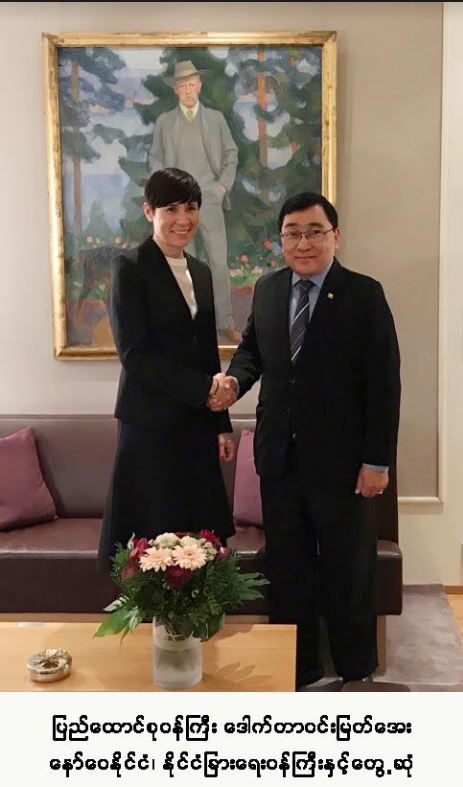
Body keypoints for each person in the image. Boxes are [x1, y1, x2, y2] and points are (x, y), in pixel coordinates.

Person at [209, 192, 401, 688]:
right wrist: (234, 382)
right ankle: (297, 666)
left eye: (315, 231)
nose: (303, 243)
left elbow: (384, 383)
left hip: (344, 464)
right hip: (281, 457)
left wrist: (377, 461)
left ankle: (355, 669)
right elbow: (252, 352)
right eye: (292, 233)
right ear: (281, 240)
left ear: (336, 235)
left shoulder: (364, 294)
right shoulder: (269, 289)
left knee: (348, 567)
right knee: (289, 567)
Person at [98, 167, 235, 570]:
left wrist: (220, 421)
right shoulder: (129, 267)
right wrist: (203, 388)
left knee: (198, 538)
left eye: (190, 208)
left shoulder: (202, 273)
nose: (183, 219)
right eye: (171, 209)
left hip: (196, 421)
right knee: (151, 540)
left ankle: (195, 612)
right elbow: (135, 354)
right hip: (149, 423)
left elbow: (207, 352)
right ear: (149, 211)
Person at [149, 60, 241, 345]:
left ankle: (225, 323)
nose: (188, 90)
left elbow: (231, 154)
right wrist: (166, 194)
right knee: (181, 264)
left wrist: (222, 187)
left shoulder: (215, 119)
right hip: (177, 208)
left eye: (192, 84)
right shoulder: (165, 122)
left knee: (218, 263)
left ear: (199, 86)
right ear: (176, 90)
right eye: (183, 85)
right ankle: (186, 325)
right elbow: (156, 158)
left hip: (210, 202)